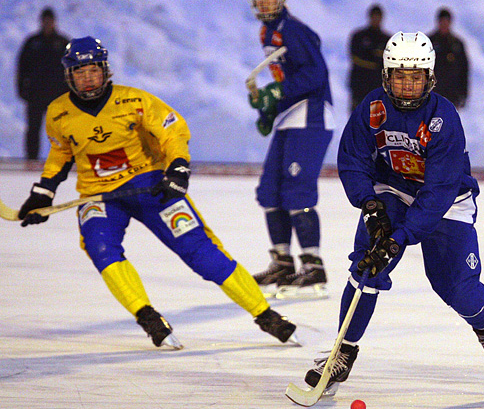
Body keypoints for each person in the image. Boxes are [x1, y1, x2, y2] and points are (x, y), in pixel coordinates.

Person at [17, 36, 297, 349]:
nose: (87, 78)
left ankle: (266, 315)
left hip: (150, 187)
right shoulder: (57, 113)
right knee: (100, 247)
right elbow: (60, 154)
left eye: (93, 70)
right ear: (69, 75)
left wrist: (177, 168)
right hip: (99, 196)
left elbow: (172, 131)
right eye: (79, 72)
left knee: (201, 252)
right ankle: (148, 317)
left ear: (105, 70)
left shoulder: (135, 100)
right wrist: (43, 191)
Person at [301, 32, 484, 395]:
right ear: (386, 76)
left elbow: (438, 191)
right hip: (394, 190)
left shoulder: (444, 118)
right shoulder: (372, 107)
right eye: (399, 76)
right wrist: (369, 205)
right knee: (367, 266)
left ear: (429, 78)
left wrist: (399, 238)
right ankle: (343, 352)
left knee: (456, 288)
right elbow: (353, 160)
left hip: (446, 202)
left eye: (415, 77)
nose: (407, 85)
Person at [247, 0, 334, 300]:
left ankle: (313, 268)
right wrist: (270, 107)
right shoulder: (267, 32)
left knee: (297, 191)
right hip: (290, 116)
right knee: (270, 190)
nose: (264, 1)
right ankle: (283, 262)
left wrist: (277, 91)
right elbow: (290, 79)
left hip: (310, 116)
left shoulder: (294, 30)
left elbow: (315, 74)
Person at [16, 7, 69, 160]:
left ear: (54, 22)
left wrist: (71, 93)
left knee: (61, 130)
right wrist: (22, 90)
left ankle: (64, 159)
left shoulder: (63, 43)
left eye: (50, 21)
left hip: (58, 96)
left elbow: (73, 69)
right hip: (35, 95)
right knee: (33, 129)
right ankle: (31, 159)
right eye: (45, 20)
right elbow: (21, 68)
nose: (47, 23)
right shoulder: (32, 43)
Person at [348, 4, 391, 112]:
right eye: (374, 16)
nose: (376, 19)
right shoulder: (359, 36)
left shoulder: (387, 39)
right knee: (357, 122)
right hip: (359, 86)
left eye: (378, 16)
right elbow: (356, 57)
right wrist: (376, 59)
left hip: (378, 89)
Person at [427, 7, 469, 109]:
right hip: (432, 96)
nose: (444, 24)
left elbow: (464, 70)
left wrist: (463, 94)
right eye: (442, 21)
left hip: (452, 96)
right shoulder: (428, 42)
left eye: (446, 21)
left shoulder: (457, 44)